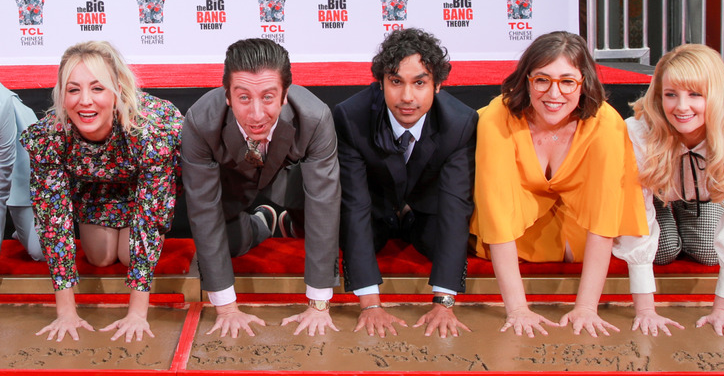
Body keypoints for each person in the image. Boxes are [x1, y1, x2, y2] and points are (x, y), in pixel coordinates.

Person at [469, 31, 648, 338]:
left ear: (584, 83)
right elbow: (496, 212)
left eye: (567, 81)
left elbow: (604, 217)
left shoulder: (606, 123)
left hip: (580, 230)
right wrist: (517, 310)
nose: (554, 94)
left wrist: (587, 308)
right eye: (542, 80)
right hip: (512, 233)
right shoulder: (496, 118)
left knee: (574, 246)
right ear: (526, 80)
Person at [21, 41, 182, 342]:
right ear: (61, 94)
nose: (85, 101)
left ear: (117, 90)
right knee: (101, 257)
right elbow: (52, 220)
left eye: (97, 88)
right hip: (96, 188)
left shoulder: (148, 131)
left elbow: (150, 216)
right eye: (73, 90)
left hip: (147, 190)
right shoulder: (51, 135)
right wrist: (66, 312)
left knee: (131, 255)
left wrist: (136, 313)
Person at [181, 38, 341, 338]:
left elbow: (324, 202)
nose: (256, 114)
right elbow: (203, 210)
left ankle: (289, 223)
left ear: (284, 96)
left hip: (292, 186)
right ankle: (263, 224)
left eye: (268, 97)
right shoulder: (200, 121)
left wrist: (319, 305)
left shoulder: (315, 117)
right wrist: (227, 309)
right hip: (233, 189)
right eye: (244, 98)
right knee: (230, 242)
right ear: (227, 95)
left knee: (319, 226)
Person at [612, 44, 724, 338]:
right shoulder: (637, 133)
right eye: (671, 94)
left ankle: (687, 210)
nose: (681, 107)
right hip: (656, 194)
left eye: (695, 94)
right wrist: (646, 311)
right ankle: (668, 210)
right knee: (662, 252)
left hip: (706, 196)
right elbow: (636, 213)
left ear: (717, 95)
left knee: (707, 252)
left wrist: (723, 311)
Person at [334, 28, 478, 339]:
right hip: (375, 208)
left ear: (437, 85)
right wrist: (370, 305)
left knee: (438, 238)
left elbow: (455, 208)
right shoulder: (350, 117)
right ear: (381, 82)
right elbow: (355, 205)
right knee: (350, 236)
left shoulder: (460, 124)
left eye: (420, 82)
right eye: (396, 82)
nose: (407, 97)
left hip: (427, 208)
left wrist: (444, 302)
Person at [0, 83, 44, 261]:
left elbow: (2, 184)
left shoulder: (2, 102)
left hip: (19, 165)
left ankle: (27, 229)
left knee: (40, 252)